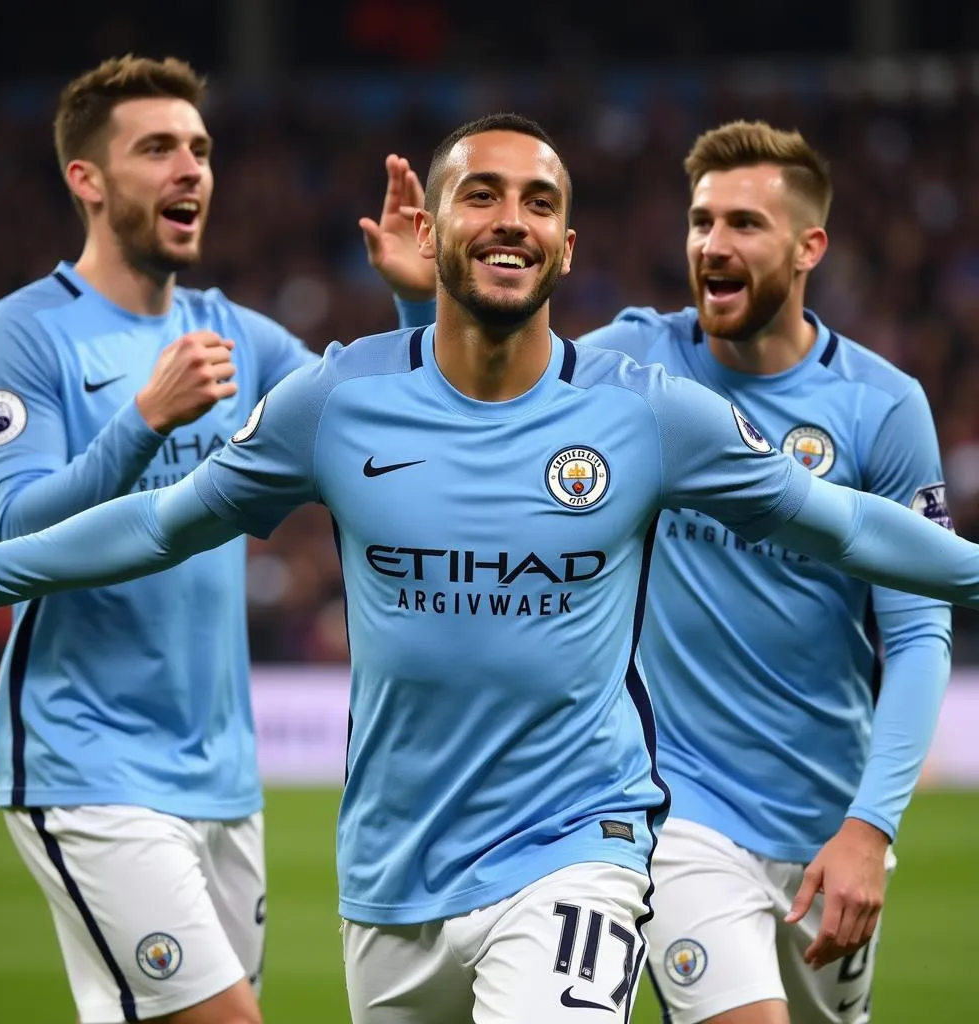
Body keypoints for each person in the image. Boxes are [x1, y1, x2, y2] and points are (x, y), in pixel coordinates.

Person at [0, 113, 975, 1024]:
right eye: (479, 193)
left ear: (566, 248)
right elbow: (159, 526)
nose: (509, 218)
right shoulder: (337, 400)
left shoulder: (643, 412)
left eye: (538, 202)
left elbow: (842, 526)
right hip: (396, 871)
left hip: (578, 841)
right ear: (430, 230)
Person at [373, 122, 952, 1024]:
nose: (714, 245)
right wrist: (426, 306)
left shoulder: (882, 407)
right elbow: (489, 401)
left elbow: (916, 636)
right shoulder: (633, 366)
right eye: (700, 221)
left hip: (824, 811)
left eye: (746, 225)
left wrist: (871, 826)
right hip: (675, 806)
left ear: (810, 248)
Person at [0, 56, 317, 1024]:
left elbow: (382, 423)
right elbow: (20, 530)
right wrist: (143, 420)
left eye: (199, 149)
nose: (190, 169)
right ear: (88, 179)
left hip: (221, 769)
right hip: (89, 759)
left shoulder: (235, 334)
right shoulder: (23, 334)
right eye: (157, 148)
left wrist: (415, 306)